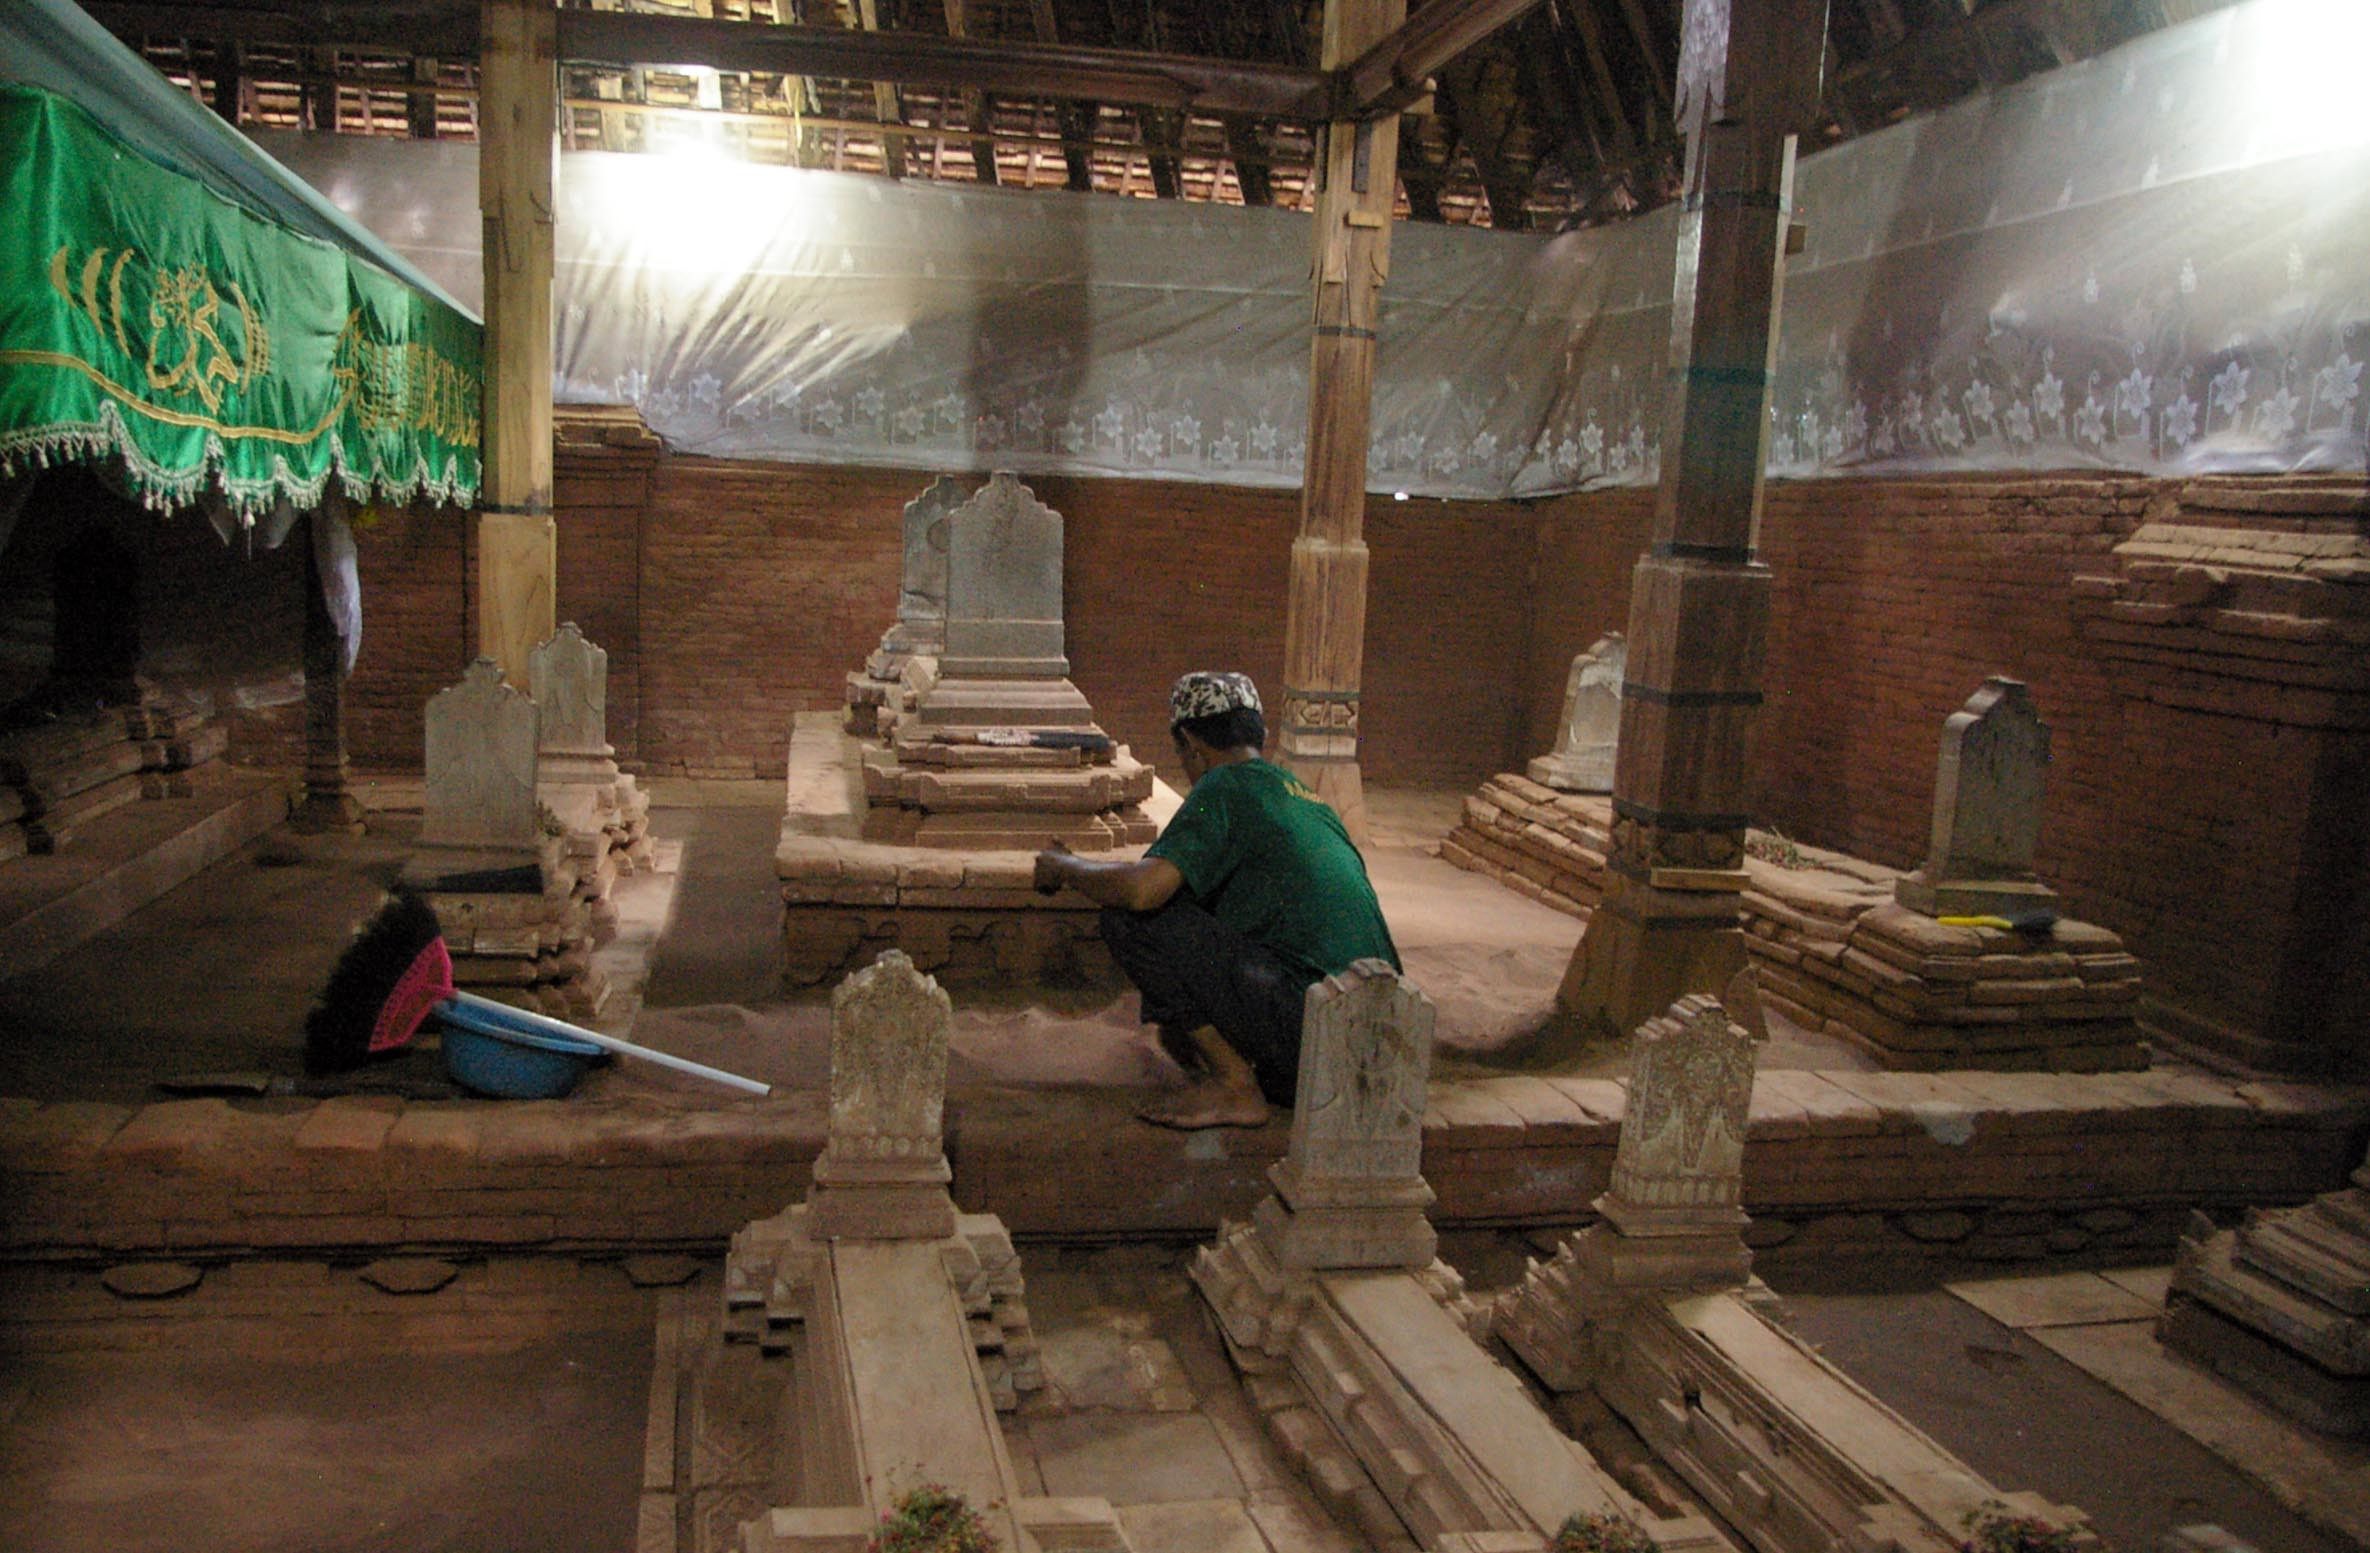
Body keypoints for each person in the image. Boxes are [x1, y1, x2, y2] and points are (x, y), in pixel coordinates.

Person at [1033, 670, 1399, 1129]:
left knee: (1132, 922)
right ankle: (1241, 1073)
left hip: (1311, 1042)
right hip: (1382, 1049)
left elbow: (1143, 891)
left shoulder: (1226, 786)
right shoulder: (1308, 801)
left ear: (1190, 744)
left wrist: (1063, 866)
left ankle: (1234, 1086)